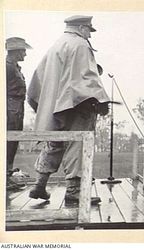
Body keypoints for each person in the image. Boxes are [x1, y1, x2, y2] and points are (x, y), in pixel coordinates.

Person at [27, 15, 110, 205]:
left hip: (55, 105)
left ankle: (39, 185)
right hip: (77, 104)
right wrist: (101, 100)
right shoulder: (80, 44)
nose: (90, 33)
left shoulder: (56, 45)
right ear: (81, 27)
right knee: (77, 144)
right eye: (89, 29)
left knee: (54, 143)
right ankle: (74, 191)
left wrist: (44, 104)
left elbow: (38, 78)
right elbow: (87, 76)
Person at [6, 37, 32, 191]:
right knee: (8, 142)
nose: (25, 54)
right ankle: (5, 177)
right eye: (23, 51)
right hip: (9, 109)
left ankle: (8, 174)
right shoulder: (7, 67)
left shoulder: (14, 67)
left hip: (16, 108)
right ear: (16, 51)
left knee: (13, 142)